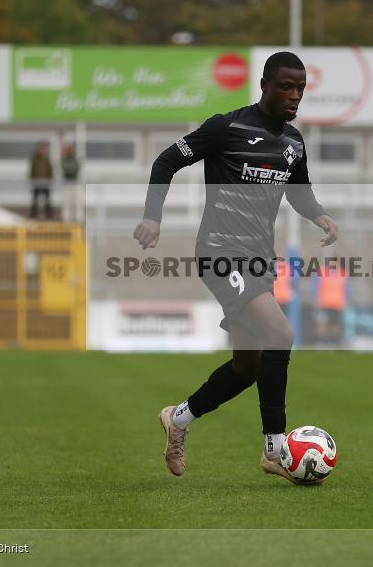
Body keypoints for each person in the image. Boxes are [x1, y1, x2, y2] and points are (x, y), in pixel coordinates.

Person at [133, 51, 338, 483]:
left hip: (260, 260)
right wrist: (153, 216)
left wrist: (319, 215)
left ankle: (178, 419)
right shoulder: (226, 127)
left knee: (248, 366)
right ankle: (275, 450)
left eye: (301, 88)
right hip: (220, 252)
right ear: (264, 85)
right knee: (280, 334)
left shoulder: (294, 143)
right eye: (286, 86)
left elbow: (299, 191)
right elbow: (166, 161)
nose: (295, 95)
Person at [29, 142, 53, 220]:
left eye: (43, 150)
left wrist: (49, 181)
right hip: (36, 184)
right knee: (35, 201)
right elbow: (32, 171)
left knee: (47, 201)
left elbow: (50, 171)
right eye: (40, 150)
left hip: (45, 184)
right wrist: (32, 181)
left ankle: (49, 217)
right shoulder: (34, 160)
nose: (41, 151)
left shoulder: (47, 160)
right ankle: (33, 216)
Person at [60, 143, 82, 222]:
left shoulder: (75, 160)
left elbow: (75, 169)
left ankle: (78, 219)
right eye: (69, 150)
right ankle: (66, 220)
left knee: (77, 202)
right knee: (66, 203)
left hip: (75, 184)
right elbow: (66, 169)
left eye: (72, 150)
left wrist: (70, 170)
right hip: (67, 184)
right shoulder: (64, 160)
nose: (71, 151)